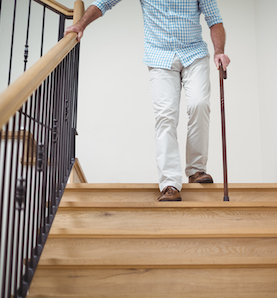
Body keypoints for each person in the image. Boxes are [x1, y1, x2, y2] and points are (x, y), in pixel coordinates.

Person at [65, 0, 230, 202]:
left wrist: (219, 51)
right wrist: (81, 25)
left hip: (194, 54)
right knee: (165, 116)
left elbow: (215, 20)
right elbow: (104, 3)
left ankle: (196, 171)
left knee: (199, 104)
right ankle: (170, 183)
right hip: (159, 57)